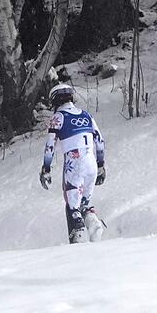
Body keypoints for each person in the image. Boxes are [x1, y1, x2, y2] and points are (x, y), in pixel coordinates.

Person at [39, 83, 106, 244]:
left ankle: (78, 238)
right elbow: (99, 140)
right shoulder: (86, 115)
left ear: (54, 100)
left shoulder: (58, 118)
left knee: (72, 206)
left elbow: (50, 146)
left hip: (74, 162)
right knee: (84, 204)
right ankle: (93, 223)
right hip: (91, 161)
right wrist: (101, 165)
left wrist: (46, 169)